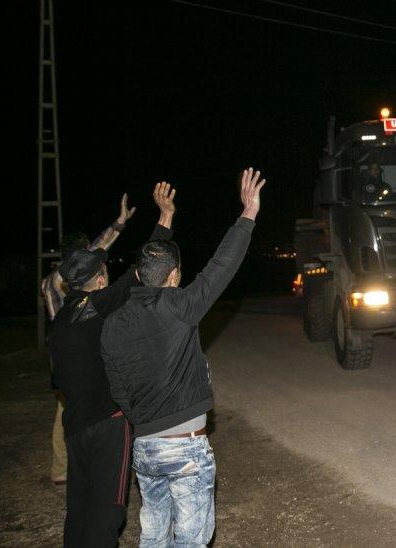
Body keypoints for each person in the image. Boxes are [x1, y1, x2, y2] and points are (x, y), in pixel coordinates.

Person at [101, 168, 266, 547]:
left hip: (144, 447)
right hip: (185, 447)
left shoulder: (112, 324)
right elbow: (221, 267)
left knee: (154, 534)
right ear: (174, 275)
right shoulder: (178, 307)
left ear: (139, 275)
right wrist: (248, 213)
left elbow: (117, 387)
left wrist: (143, 420)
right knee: (191, 540)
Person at [49, 183, 176, 547]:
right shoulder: (98, 306)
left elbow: (57, 379)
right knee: (108, 511)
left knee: (79, 506)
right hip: (108, 424)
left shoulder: (60, 321)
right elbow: (144, 269)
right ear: (101, 279)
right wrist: (165, 218)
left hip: (75, 425)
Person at [41, 194, 136, 486]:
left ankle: (61, 468)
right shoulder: (67, 280)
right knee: (87, 407)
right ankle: (92, 464)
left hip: (61, 350)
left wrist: (119, 223)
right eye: (85, 251)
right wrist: (119, 223)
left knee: (67, 408)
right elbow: (99, 249)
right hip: (80, 347)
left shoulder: (51, 280)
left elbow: (98, 246)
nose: (91, 253)